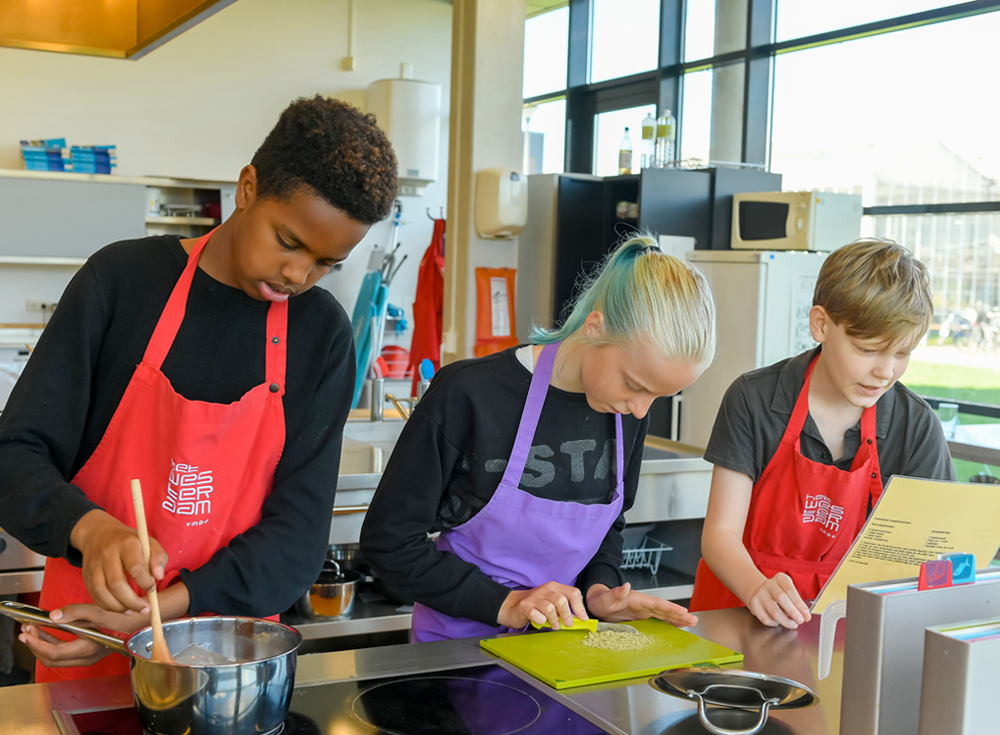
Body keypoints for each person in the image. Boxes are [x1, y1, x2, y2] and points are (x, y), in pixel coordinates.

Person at [0, 96, 398, 680]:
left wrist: (150, 617)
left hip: (229, 664)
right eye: (287, 241)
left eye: (325, 264)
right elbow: (15, 456)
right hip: (86, 632)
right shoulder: (122, 284)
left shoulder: (321, 335)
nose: (297, 276)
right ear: (247, 187)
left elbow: (295, 540)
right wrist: (92, 529)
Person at [360, 235, 717, 642]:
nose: (640, 409)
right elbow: (389, 543)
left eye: (658, 396)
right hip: (454, 656)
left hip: (560, 651)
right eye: (635, 385)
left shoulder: (625, 414)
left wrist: (600, 590)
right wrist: (505, 603)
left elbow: (608, 527)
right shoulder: (471, 393)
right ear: (595, 326)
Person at [690, 239, 956, 628]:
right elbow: (720, 534)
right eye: (868, 350)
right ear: (821, 325)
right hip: (734, 615)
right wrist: (755, 589)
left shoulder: (915, 426)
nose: (885, 371)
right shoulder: (755, 399)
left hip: (847, 628)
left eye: (902, 354)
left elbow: (930, 553)